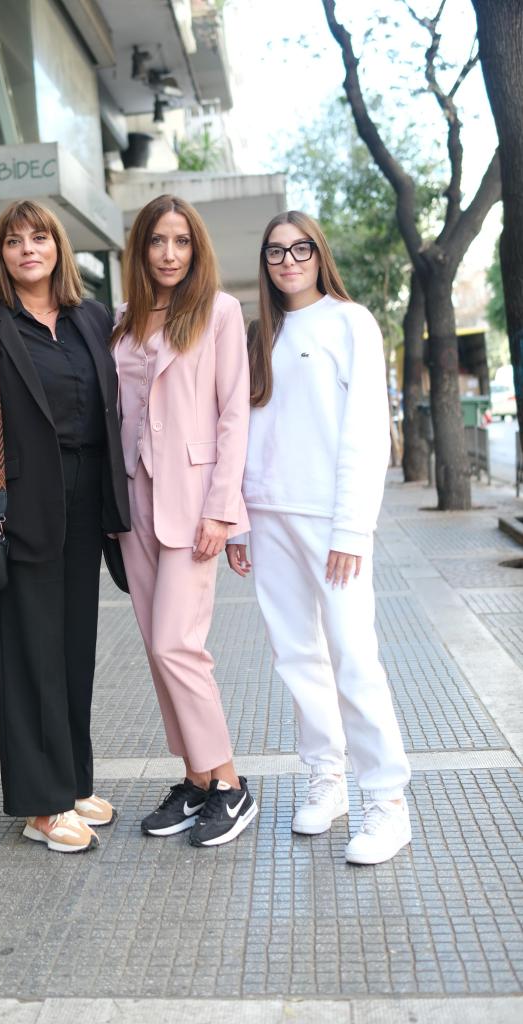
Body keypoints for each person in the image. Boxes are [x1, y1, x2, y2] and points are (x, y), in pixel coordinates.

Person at [0, 200, 130, 854]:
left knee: (74, 647)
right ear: (1, 253)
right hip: (16, 510)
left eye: (39, 237)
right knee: (30, 655)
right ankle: (40, 806)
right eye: (14, 240)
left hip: (86, 502)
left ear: (58, 247)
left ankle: (71, 782)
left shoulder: (90, 319)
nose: (28, 249)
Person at [226, 210, 411, 865]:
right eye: (275, 251)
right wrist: (238, 520)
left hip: (331, 521)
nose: (288, 260)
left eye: (300, 248)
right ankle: (327, 780)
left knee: (353, 657)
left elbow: (366, 429)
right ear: (264, 263)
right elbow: (243, 430)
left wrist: (351, 528)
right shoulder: (260, 334)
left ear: (318, 253)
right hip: (268, 515)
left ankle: (387, 804)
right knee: (297, 657)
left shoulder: (350, 321)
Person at [111, 194, 257, 847]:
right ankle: (196, 780)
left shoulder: (218, 312)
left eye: (181, 241)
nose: (169, 254)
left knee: (178, 644)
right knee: (157, 648)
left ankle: (229, 782)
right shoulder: (122, 319)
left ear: (196, 249)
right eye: (157, 241)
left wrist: (224, 510)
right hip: (133, 502)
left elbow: (233, 415)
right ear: (140, 249)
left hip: (194, 500)